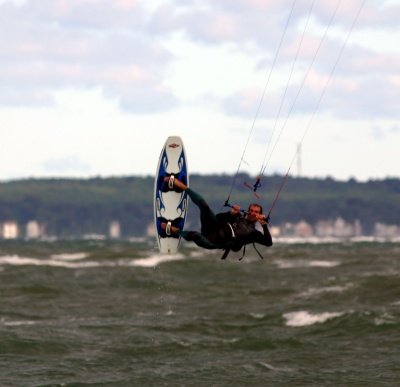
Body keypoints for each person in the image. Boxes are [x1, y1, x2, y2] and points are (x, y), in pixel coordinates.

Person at [161, 175, 272, 258]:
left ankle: (172, 230)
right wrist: (231, 214)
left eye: (256, 212)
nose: (253, 213)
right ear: (248, 210)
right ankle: (180, 186)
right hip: (212, 228)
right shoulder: (238, 217)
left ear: (259, 215)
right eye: (251, 210)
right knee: (204, 205)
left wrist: (264, 225)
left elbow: (268, 242)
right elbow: (218, 218)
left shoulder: (254, 234)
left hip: (214, 243)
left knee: (195, 235)